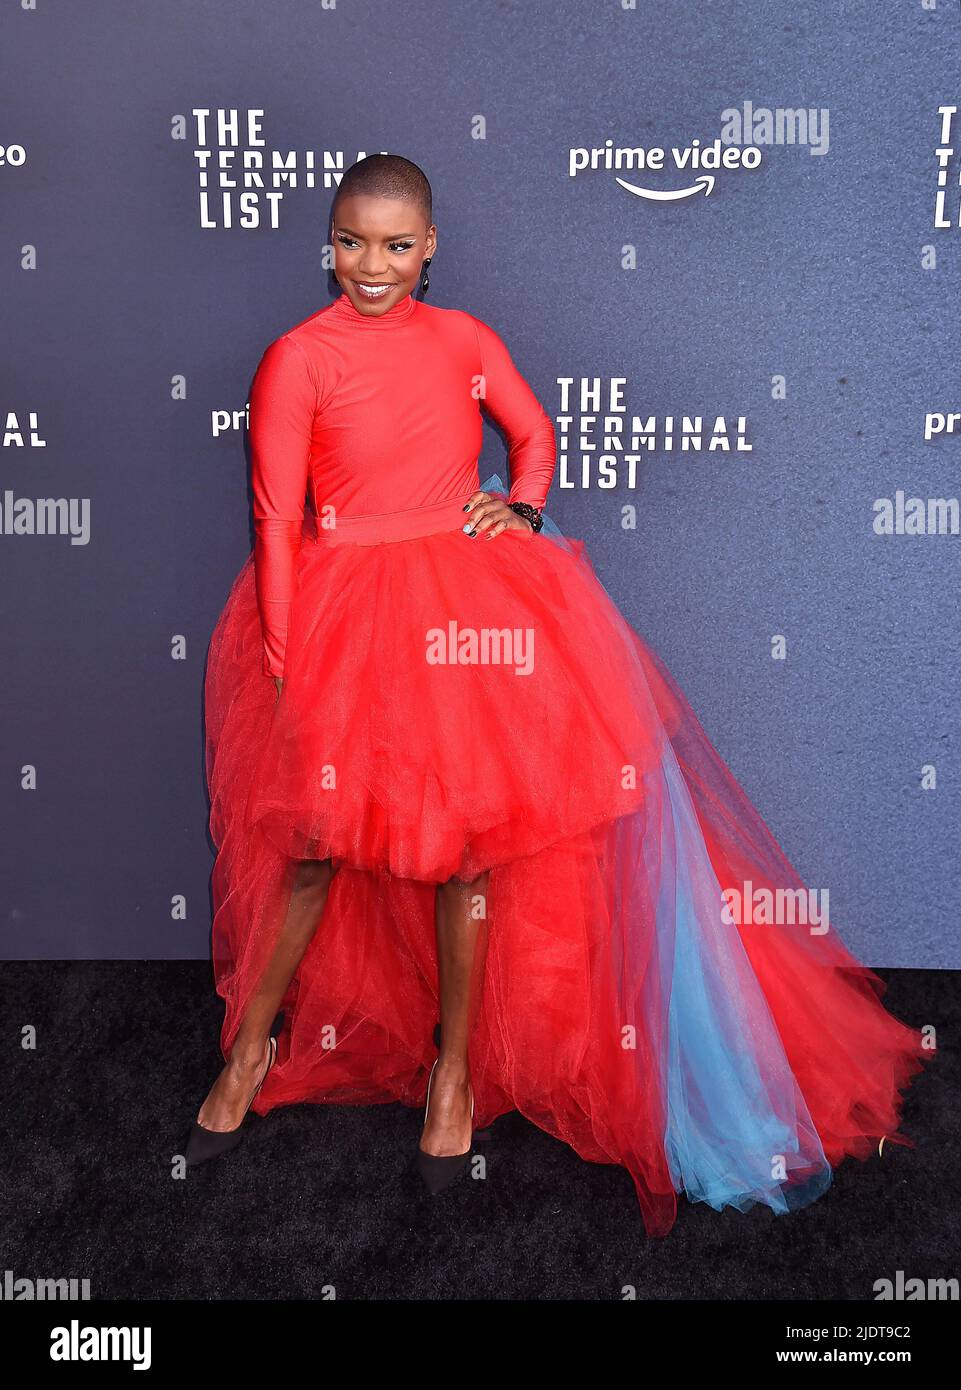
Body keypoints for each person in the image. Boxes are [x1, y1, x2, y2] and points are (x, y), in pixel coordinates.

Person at [187, 153, 929, 1234]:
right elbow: (273, 520)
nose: (373, 265)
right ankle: (252, 1044)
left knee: (464, 856)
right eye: (352, 240)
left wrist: (520, 509)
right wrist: (288, 652)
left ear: (430, 246)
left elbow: (532, 438)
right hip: (343, 619)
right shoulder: (297, 358)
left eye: (397, 244)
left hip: (466, 614)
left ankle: (455, 1072)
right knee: (308, 846)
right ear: (329, 240)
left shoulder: (466, 340)